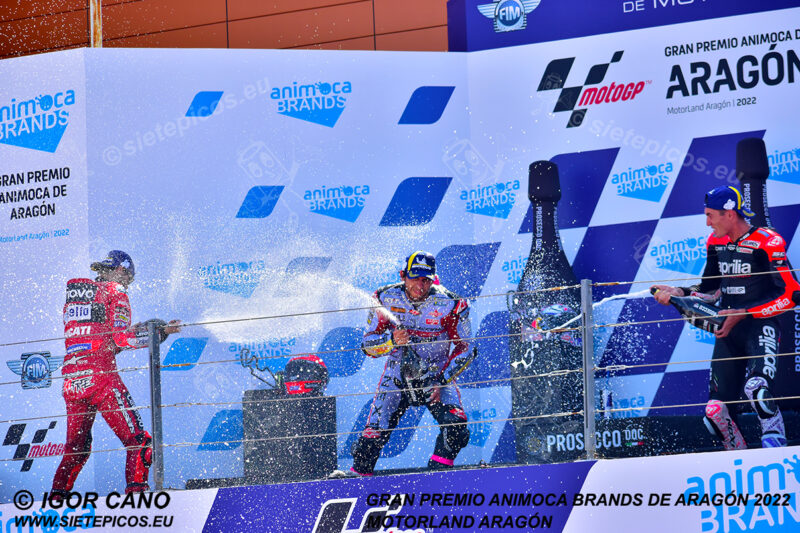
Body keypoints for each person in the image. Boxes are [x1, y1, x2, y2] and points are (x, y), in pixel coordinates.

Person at [652, 186, 800, 450]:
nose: (707, 223)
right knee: (714, 411)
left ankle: (776, 450)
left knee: (758, 389)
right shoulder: (714, 242)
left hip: (760, 325)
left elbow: (792, 294)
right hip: (728, 332)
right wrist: (679, 292)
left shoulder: (769, 241)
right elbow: (708, 289)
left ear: (729, 213)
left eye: (711, 216)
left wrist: (743, 313)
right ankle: (737, 457)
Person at [51, 251, 181, 496]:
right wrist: (157, 333)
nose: (127, 284)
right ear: (121, 271)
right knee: (140, 442)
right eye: (129, 279)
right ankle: (137, 497)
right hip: (102, 379)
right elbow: (121, 337)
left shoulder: (76, 298)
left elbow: (99, 340)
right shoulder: (115, 291)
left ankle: (57, 498)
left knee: (77, 448)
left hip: (72, 382)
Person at [350, 251, 476, 475]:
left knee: (456, 427)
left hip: (436, 376)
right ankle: (358, 481)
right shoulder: (385, 298)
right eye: (415, 277)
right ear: (403, 276)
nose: (421, 284)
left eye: (426, 279)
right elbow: (368, 347)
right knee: (370, 438)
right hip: (397, 375)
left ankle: (436, 478)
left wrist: (442, 381)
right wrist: (391, 341)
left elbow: (467, 349)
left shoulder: (451, 303)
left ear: (433, 279)